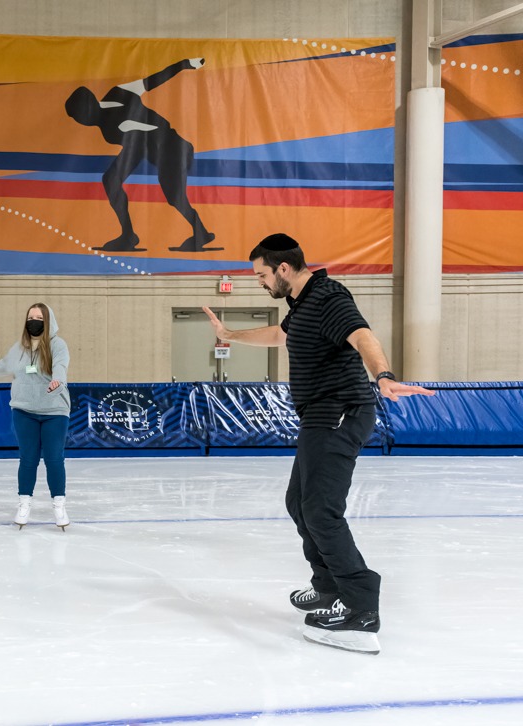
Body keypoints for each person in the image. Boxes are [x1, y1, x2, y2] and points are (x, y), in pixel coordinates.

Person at [203, 233, 434, 654]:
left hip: (340, 411)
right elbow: (281, 334)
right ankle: (327, 588)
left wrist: (383, 375)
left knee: (321, 510)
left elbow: (363, 336)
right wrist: (231, 334)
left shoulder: (328, 297)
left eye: (261, 275)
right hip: (319, 417)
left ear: (284, 269)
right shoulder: (302, 306)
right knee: (299, 502)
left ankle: (361, 606)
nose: (259, 282)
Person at [64, 58, 218, 253]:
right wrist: (184, 64)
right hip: (143, 148)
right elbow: (139, 138)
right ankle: (128, 236)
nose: (82, 122)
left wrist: (183, 64)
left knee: (175, 197)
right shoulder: (117, 97)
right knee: (111, 180)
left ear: (89, 111)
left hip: (172, 148)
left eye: (81, 117)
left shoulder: (118, 103)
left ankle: (201, 232)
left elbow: (152, 86)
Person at [0, 303, 71, 530]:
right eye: (31, 317)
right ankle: (24, 503)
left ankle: (59, 505)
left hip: (54, 411)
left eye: (39, 317)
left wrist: (58, 381)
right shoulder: (19, 347)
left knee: (53, 458)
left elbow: (61, 367)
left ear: (48, 320)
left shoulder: (58, 345)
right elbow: (5, 365)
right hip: (24, 411)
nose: (34, 321)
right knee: (28, 459)